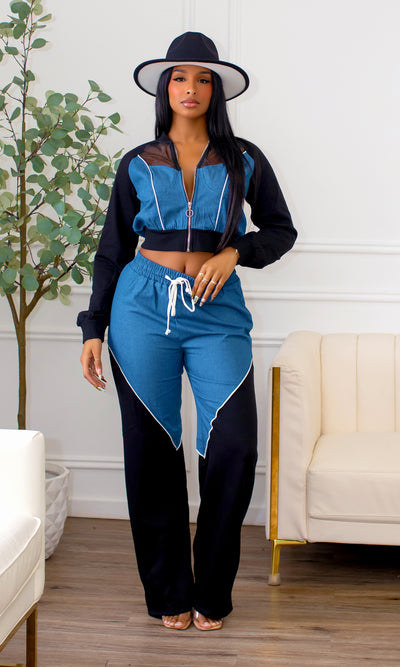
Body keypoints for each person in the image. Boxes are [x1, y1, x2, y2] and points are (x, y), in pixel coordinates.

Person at [78, 32, 297, 632]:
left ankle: (212, 590)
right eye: (180, 77)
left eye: (203, 79)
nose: (191, 88)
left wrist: (235, 252)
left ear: (217, 90)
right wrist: (93, 325)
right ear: (165, 88)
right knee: (151, 451)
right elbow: (112, 248)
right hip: (140, 306)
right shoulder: (139, 161)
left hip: (216, 310)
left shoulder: (245, 158)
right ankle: (168, 589)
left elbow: (280, 230)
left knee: (234, 447)